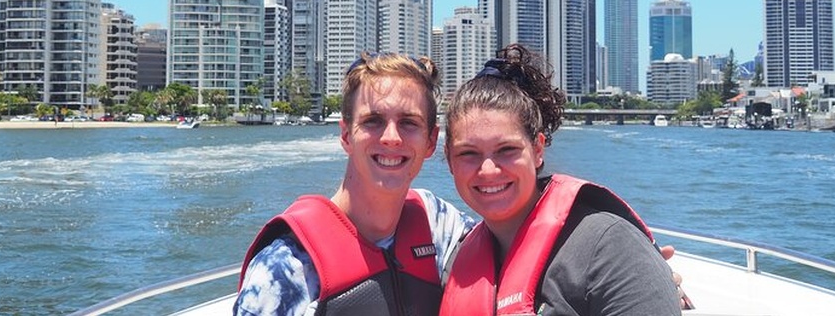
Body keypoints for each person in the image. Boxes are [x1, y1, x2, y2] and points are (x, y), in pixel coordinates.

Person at [439, 44, 683, 315]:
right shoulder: (457, 263)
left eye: (506, 150)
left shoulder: (610, 249)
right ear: (449, 159)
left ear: (537, 149)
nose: (488, 169)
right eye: (468, 153)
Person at [234, 52, 475, 315]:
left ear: (430, 141)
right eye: (373, 121)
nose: (391, 138)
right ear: (346, 135)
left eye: (408, 122)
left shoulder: (439, 224)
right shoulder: (286, 270)